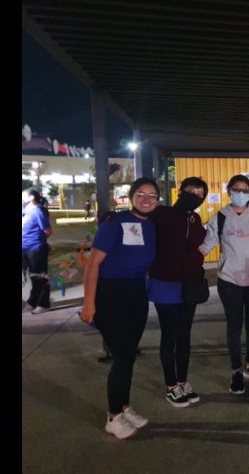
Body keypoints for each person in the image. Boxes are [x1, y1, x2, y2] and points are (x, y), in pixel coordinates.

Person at [79, 177, 159, 440]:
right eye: (141, 195)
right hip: (110, 295)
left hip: (136, 292)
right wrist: (88, 303)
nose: (147, 200)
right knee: (122, 357)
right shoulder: (115, 224)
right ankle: (113, 417)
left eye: (152, 196)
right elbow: (93, 266)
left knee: (129, 355)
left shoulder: (150, 226)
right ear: (131, 197)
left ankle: (124, 407)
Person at [200, 174, 249, 394]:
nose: (241, 194)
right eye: (237, 189)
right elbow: (205, 246)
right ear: (229, 191)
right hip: (230, 281)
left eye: (245, 190)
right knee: (234, 328)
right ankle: (236, 371)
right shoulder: (220, 217)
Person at [147, 177, 208, 407]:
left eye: (200, 193)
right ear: (180, 191)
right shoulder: (161, 214)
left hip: (189, 283)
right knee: (169, 334)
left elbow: (200, 246)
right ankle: (171, 384)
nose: (195, 195)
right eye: (191, 190)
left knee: (184, 334)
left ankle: (183, 380)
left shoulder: (196, 218)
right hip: (165, 282)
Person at [22, 188, 52, 314]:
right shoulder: (25, 211)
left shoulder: (37, 211)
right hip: (24, 248)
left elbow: (47, 231)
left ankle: (43, 303)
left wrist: (38, 241)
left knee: (40, 276)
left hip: (36, 248)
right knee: (31, 277)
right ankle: (32, 302)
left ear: (31, 198)